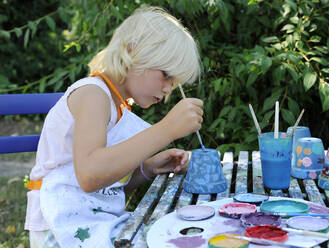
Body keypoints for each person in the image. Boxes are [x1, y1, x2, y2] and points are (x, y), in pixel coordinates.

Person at [24, 6, 203, 248]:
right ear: (133, 52)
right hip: (61, 228)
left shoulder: (119, 107)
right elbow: (89, 176)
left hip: (93, 220)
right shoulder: (92, 94)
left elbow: (104, 185)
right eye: (166, 75)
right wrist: (166, 129)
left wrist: (147, 169)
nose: (168, 89)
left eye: (175, 82)